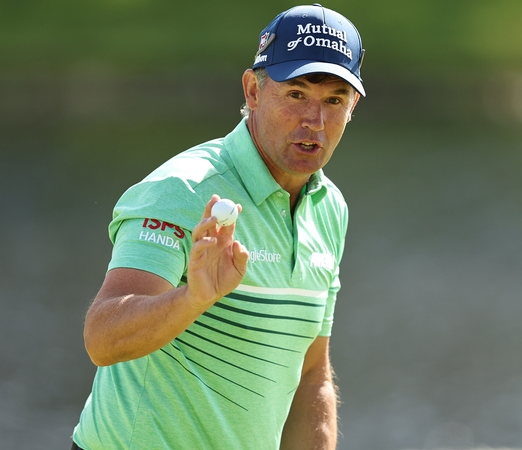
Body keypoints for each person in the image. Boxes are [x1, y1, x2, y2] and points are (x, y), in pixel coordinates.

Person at [70, 4, 365, 449]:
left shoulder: (330, 208)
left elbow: (310, 373)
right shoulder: (183, 189)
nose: (314, 121)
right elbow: (102, 339)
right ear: (253, 91)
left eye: (334, 101)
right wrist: (193, 299)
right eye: (296, 94)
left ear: (352, 106)